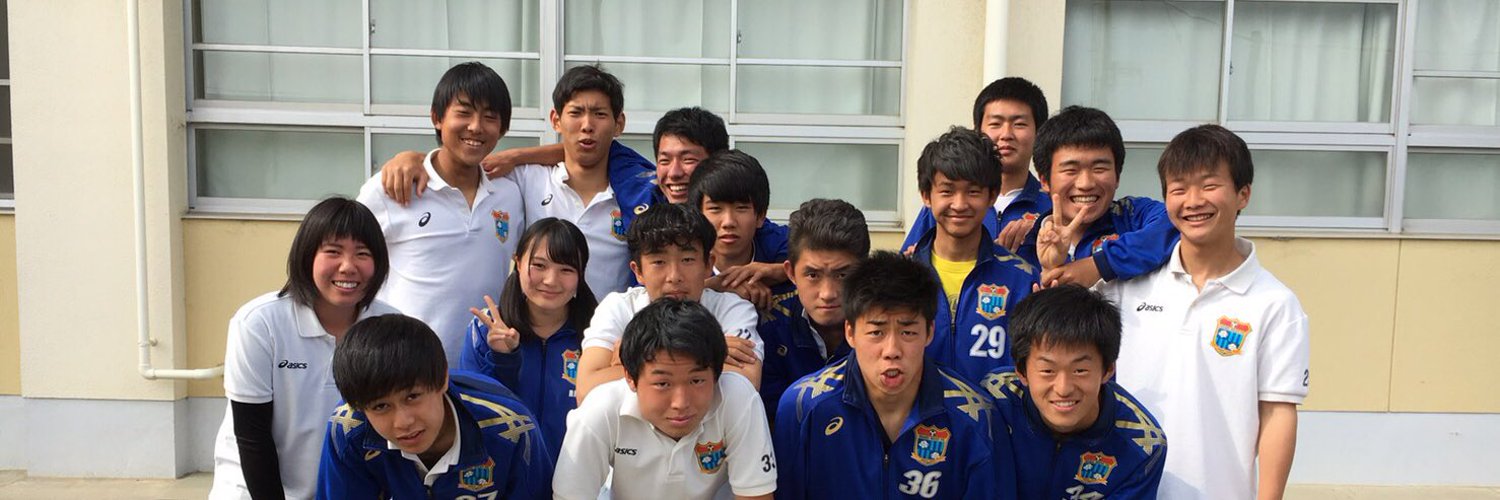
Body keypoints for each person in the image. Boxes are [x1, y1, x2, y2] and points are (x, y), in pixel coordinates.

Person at [1092, 124, 1310, 499]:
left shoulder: (1275, 303)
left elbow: (1277, 413)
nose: (1193, 201)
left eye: (1209, 186)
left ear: (1243, 194)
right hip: (1128, 490)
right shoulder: (1125, 287)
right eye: (1178, 189)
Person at [774, 251, 1013, 500]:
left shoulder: (976, 418)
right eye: (876, 332)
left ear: (929, 332)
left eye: (907, 332)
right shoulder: (803, 407)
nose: (892, 351)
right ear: (850, 332)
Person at [209, 197, 398, 500]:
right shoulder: (260, 323)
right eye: (333, 252)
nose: (348, 267)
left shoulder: (390, 325)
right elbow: (252, 437)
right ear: (307, 255)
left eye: (362, 254)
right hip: (256, 490)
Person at [355, 61, 525, 365]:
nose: (476, 126)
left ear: (503, 128)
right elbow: (348, 262)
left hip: (481, 367)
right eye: (464, 113)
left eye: (489, 117)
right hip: (403, 365)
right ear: (437, 118)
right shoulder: (391, 188)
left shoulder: (510, 194)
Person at [553, 299, 777, 500]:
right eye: (662, 384)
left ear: (717, 375)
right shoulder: (600, 409)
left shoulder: (739, 397)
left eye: (696, 381)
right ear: (630, 378)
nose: (681, 403)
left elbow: (755, 495)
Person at [318, 314, 552, 499]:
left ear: (442, 380)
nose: (404, 422)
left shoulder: (511, 428)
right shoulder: (348, 429)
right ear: (359, 406)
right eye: (380, 407)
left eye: (412, 397)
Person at [979, 285, 1167, 499]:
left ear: (1108, 370)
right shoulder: (992, 400)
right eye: (1047, 371)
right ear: (1022, 371)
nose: (1063, 388)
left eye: (1080, 370)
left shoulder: (1142, 445)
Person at [574, 203, 764, 403]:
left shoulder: (732, 309)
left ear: (708, 264)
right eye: (659, 262)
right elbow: (587, 389)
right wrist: (712, 351)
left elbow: (746, 384)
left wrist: (634, 357)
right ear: (638, 271)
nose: (674, 276)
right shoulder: (618, 307)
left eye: (687, 260)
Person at [380, 106, 730, 206]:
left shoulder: (739, 212)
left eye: (689, 159)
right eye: (665, 160)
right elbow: (587, 148)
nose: (674, 172)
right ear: (556, 120)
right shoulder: (645, 186)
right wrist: (417, 159)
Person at [459, 217, 598, 463]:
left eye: (566, 269)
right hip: (504, 474)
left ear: (581, 274)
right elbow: (475, 412)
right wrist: (503, 359)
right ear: (518, 263)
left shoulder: (598, 336)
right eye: (539, 265)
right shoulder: (486, 328)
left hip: (578, 473)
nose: (551, 280)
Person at [908, 127, 1037, 382]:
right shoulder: (900, 278)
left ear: (992, 196)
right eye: (947, 191)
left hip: (996, 409)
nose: (959, 204)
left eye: (973, 192)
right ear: (926, 196)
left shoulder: (1022, 280)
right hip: (921, 409)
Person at [903, 77, 1052, 265]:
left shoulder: (1052, 206)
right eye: (995, 124)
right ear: (978, 130)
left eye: (1019, 124)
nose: (1006, 134)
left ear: (1039, 133)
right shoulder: (944, 204)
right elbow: (907, 262)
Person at [1028, 105, 1179, 288]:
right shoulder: (1025, 241)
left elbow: (1177, 220)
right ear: (1044, 181)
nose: (1086, 184)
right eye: (1071, 170)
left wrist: (1100, 265)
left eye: (1099, 168)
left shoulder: (1133, 217)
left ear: (1117, 176)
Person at [755, 198, 867, 420]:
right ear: (790, 273)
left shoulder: (886, 330)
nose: (827, 293)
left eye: (842, 275)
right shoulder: (768, 327)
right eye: (813, 275)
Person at [687, 149, 792, 310]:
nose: (728, 222)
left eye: (741, 208)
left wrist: (779, 271)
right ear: (698, 215)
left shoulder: (777, 240)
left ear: (760, 216)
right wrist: (713, 287)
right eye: (715, 209)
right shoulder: (681, 250)